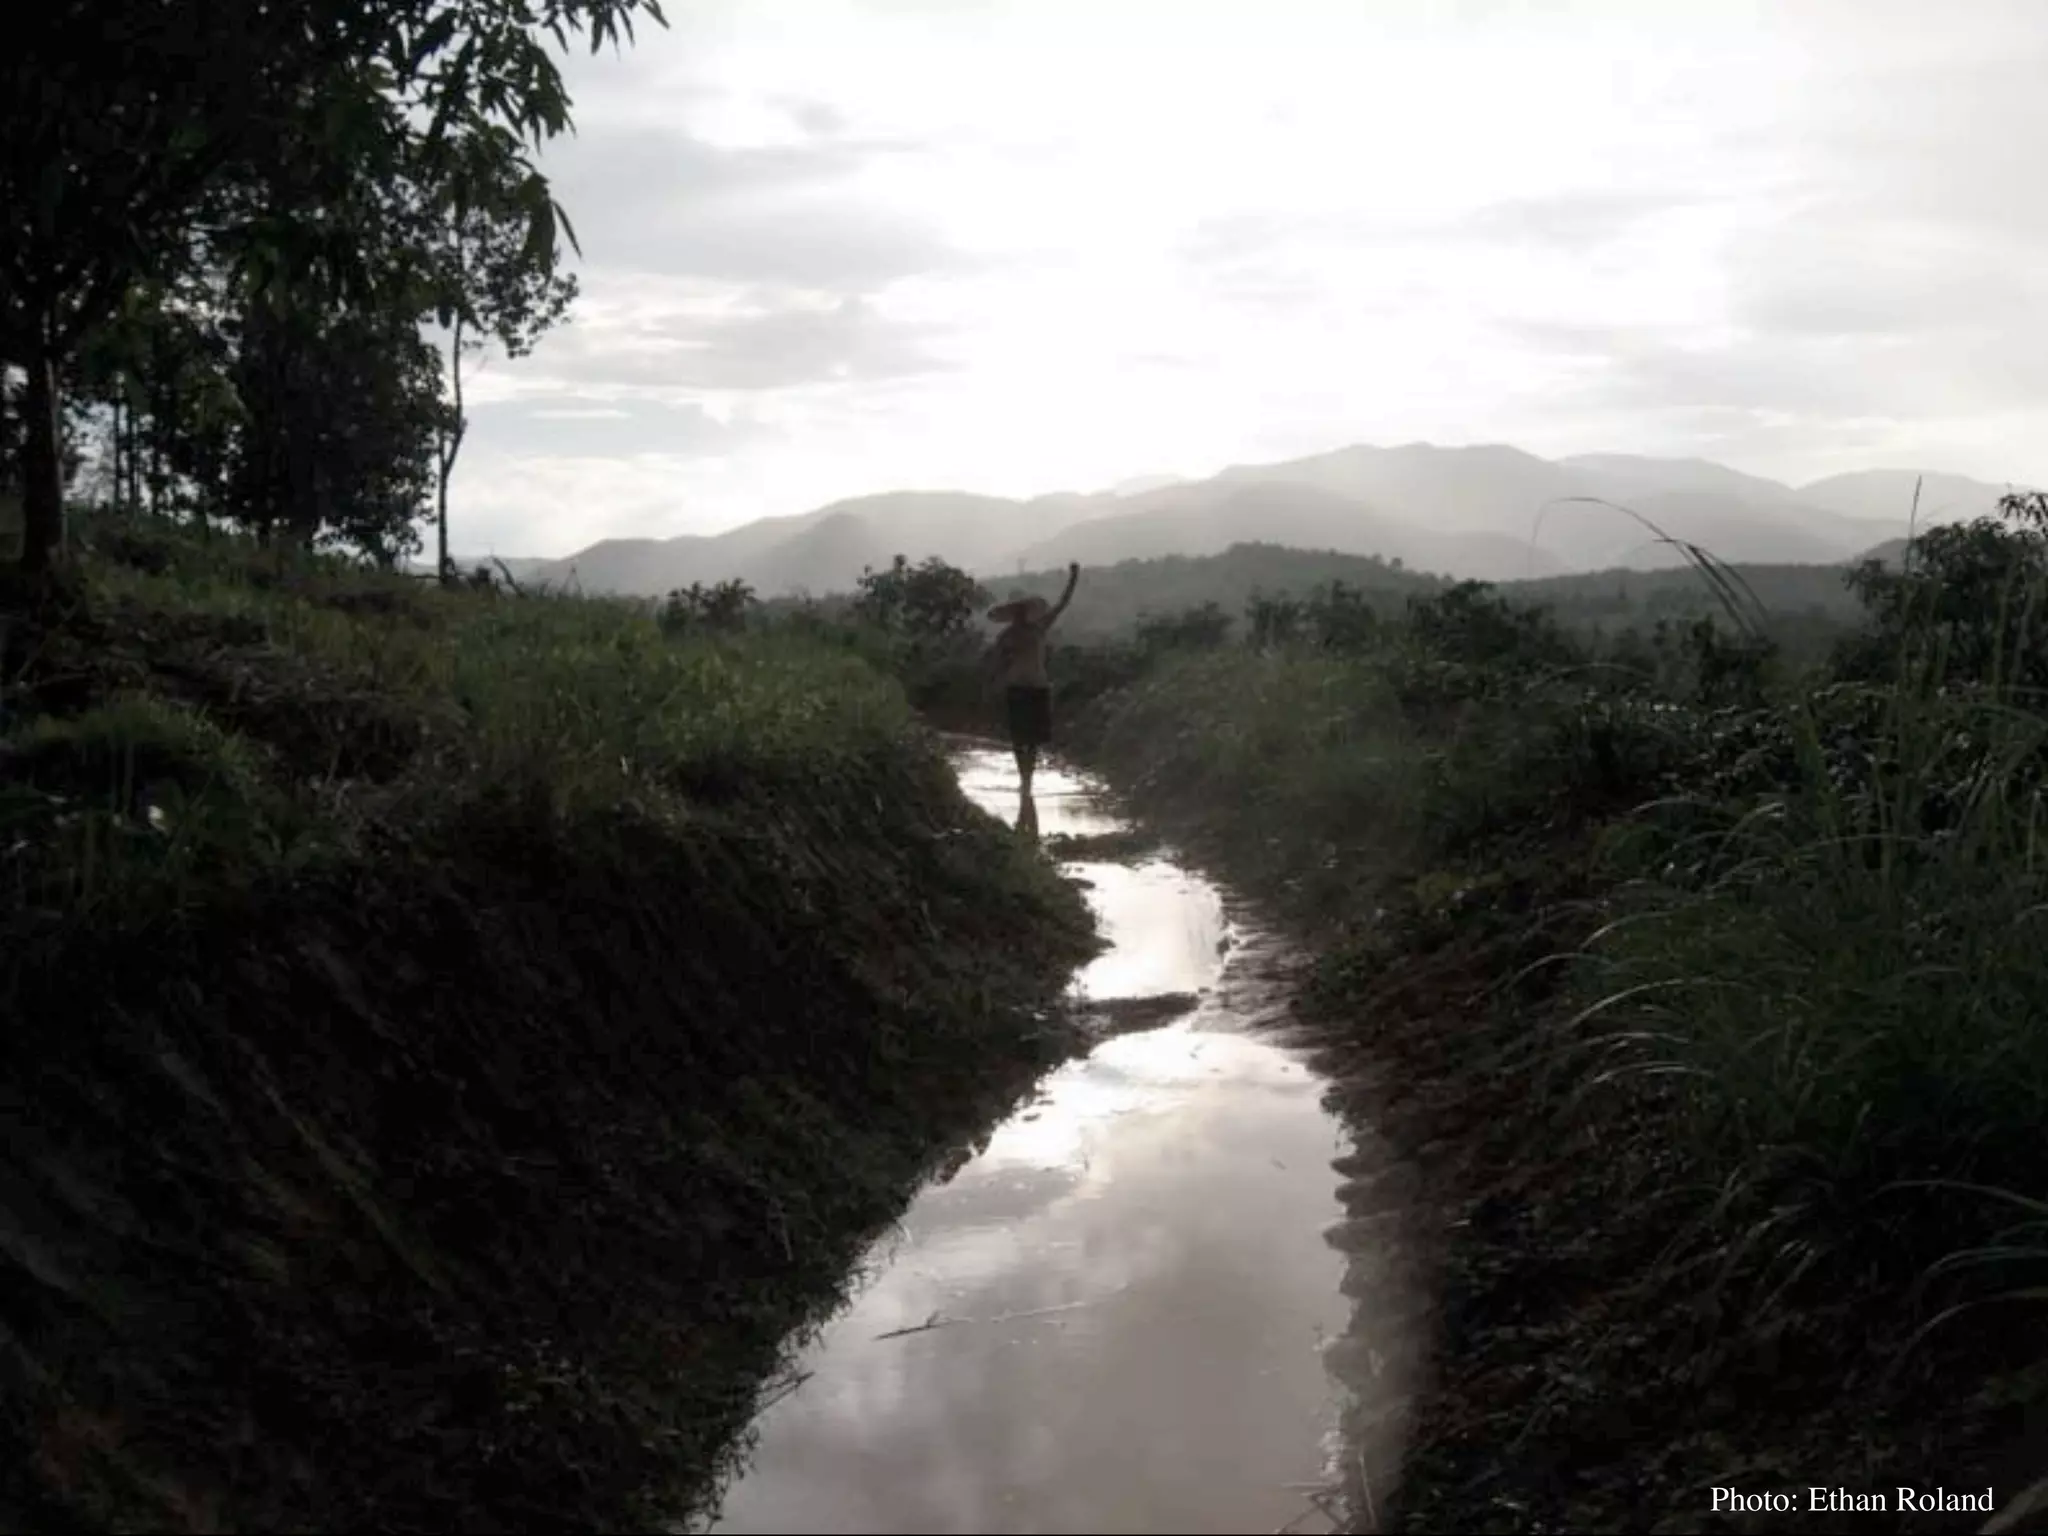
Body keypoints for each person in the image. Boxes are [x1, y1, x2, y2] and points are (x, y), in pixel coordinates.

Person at [983, 561, 1080, 797]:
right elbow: (996, 662)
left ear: (1026, 612)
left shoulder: (1039, 629)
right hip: (1017, 687)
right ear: (1012, 614)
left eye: (1021, 611)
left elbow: (1062, 604)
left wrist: (1073, 578)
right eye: (1016, 612)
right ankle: (1023, 777)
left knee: (1033, 738)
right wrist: (995, 681)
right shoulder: (1007, 636)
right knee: (1019, 737)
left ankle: (1028, 777)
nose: (1019, 615)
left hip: (1037, 686)